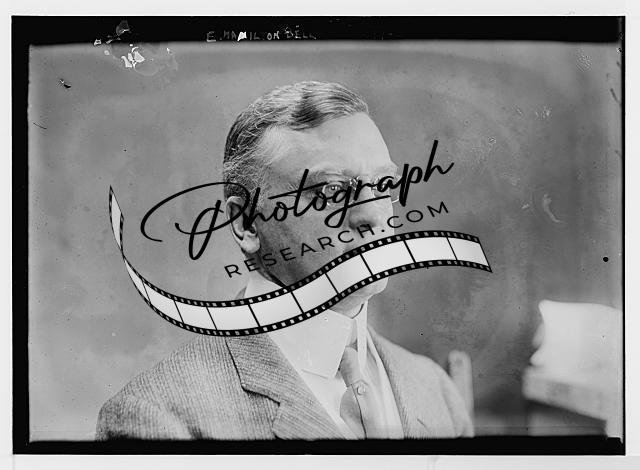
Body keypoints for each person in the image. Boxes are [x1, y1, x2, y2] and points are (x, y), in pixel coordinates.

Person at [96, 81, 473, 440]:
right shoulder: (157, 416)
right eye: (331, 190)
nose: (372, 214)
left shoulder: (436, 391)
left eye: (384, 184)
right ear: (245, 223)